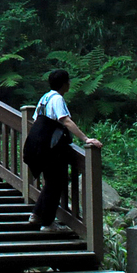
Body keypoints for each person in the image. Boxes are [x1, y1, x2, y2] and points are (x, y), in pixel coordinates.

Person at [28, 69, 101, 233]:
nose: (69, 84)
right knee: (56, 182)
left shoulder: (45, 98)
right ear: (64, 84)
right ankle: (47, 223)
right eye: (68, 81)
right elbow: (65, 120)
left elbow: (36, 120)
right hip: (52, 148)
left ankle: (36, 214)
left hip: (39, 145)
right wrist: (86, 139)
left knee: (51, 182)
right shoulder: (57, 99)